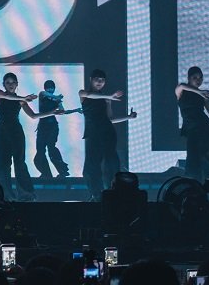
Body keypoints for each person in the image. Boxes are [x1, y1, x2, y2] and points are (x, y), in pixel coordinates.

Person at [0, 72, 61, 202]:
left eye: (13, 82)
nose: (10, 85)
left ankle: (26, 194)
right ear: (4, 84)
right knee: (3, 164)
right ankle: (5, 195)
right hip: (2, 132)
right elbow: (7, 96)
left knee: (19, 162)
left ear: (17, 84)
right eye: (8, 82)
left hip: (16, 132)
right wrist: (24, 98)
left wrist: (51, 113)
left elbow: (33, 116)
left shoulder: (21, 100)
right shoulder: (0, 94)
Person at [78, 69, 136, 197]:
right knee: (91, 167)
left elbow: (110, 119)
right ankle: (96, 195)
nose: (100, 82)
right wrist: (108, 96)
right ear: (90, 79)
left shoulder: (107, 98)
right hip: (92, 133)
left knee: (111, 164)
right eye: (97, 79)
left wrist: (128, 117)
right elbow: (90, 95)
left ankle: (111, 192)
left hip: (107, 132)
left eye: (102, 80)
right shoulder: (83, 93)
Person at [33, 80, 77, 180]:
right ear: (45, 88)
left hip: (52, 127)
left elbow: (62, 111)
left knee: (51, 149)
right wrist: (56, 97)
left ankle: (62, 171)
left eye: (51, 87)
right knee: (40, 151)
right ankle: (46, 173)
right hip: (42, 127)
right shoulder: (42, 95)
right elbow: (43, 93)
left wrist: (75, 110)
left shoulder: (57, 101)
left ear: (54, 88)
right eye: (48, 87)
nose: (50, 89)